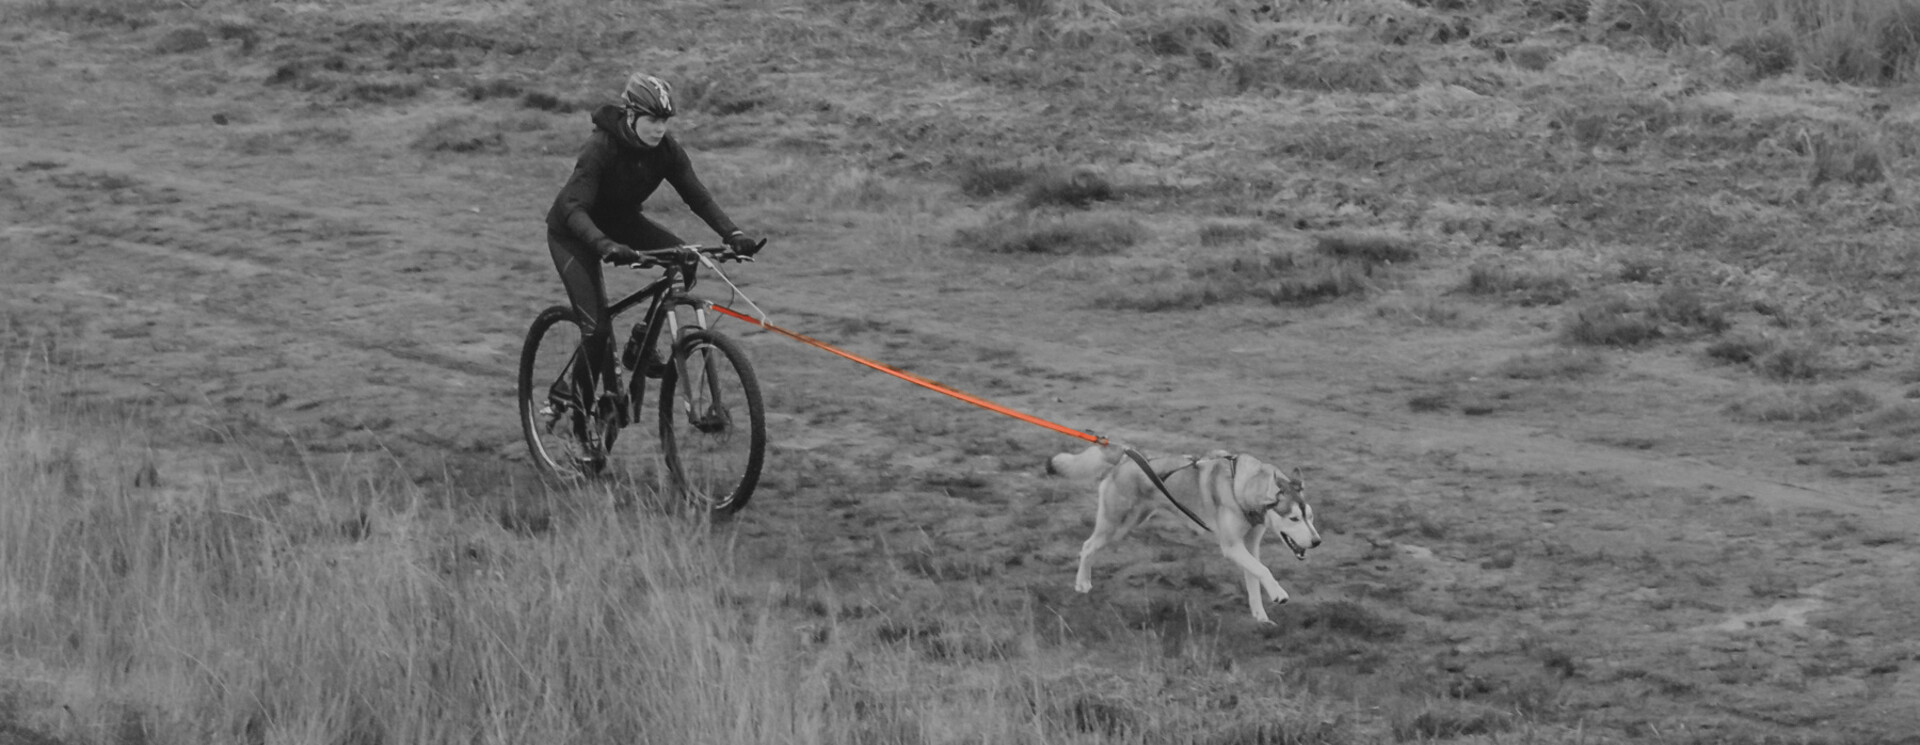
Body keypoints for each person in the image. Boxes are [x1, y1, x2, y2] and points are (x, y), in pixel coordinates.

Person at [545, 72, 763, 418]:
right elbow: (573, 208)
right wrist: (603, 244)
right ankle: (575, 402)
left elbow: (698, 197)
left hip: (621, 222)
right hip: (573, 232)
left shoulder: (666, 151)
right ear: (631, 115)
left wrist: (733, 235)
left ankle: (641, 344)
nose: (659, 128)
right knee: (597, 328)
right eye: (651, 120)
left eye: (664, 120)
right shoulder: (600, 147)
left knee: (685, 260)